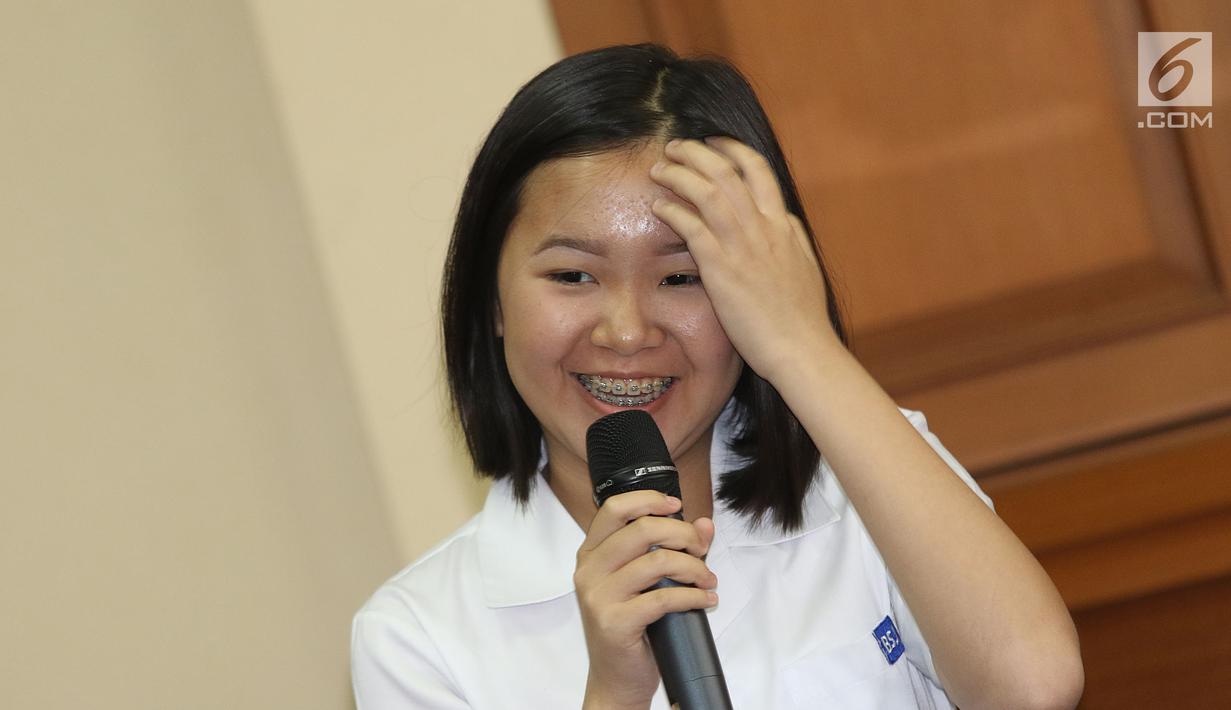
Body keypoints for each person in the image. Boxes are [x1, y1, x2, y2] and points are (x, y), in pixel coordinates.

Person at [351, 43, 1084, 709]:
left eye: (682, 277)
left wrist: (802, 344)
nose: (627, 332)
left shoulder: (864, 477)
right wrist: (615, 691)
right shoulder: (418, 636)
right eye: (572, 275)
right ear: (491, 302)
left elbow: (1032, 685)